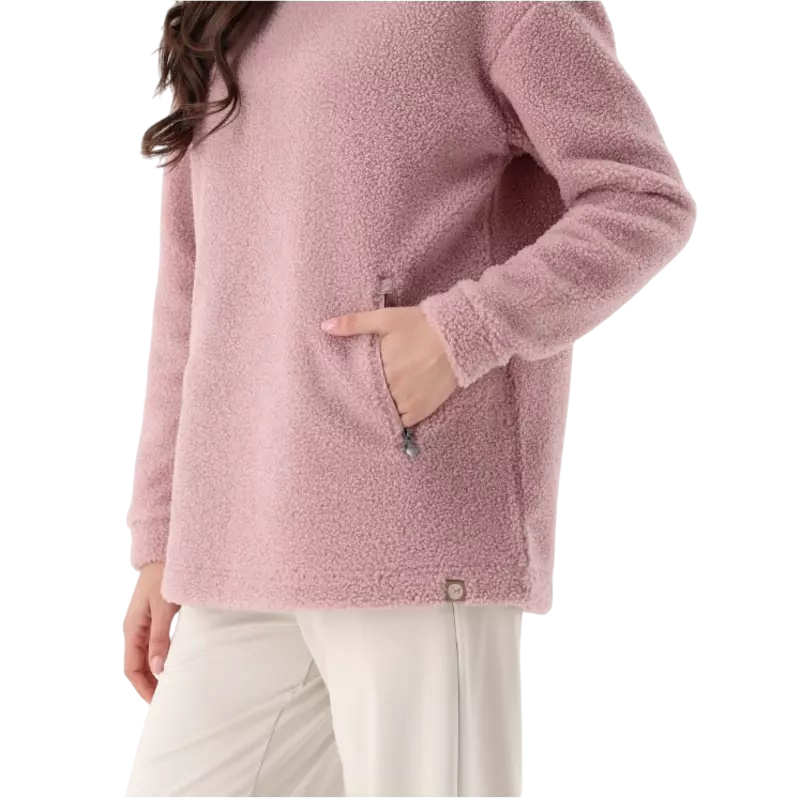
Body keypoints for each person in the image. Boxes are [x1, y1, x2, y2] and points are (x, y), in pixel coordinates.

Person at [123, 1, 698, 797]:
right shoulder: (226, 16)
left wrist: (462, 332)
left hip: (409, 529)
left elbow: (642, 197)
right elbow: (189, 297)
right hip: (237, 542)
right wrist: (160, 536)